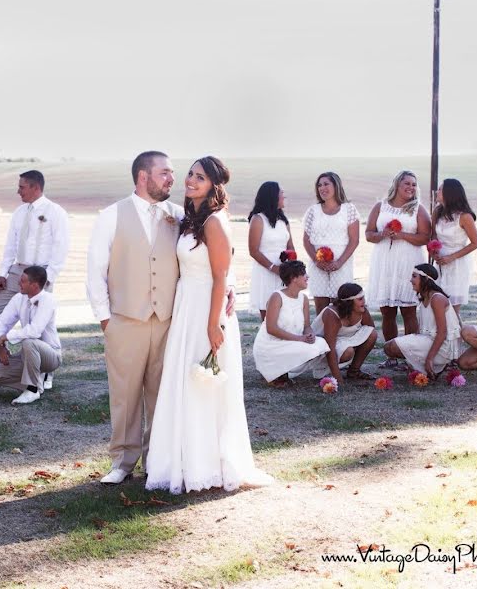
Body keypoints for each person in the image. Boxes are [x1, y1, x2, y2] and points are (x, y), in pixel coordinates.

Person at [146, 156, 272, 495]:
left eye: (199, 177)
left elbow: (220, 275)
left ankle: (208, 465)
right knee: (183, 384)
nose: (190, 180)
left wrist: (214, 323)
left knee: (203, 387)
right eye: (190, 174)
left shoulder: (215, 222)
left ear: (214, 186)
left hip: (206, 308)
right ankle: (183, 460)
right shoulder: (190, 220)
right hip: (186, 305)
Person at [85, 151, 183, 485]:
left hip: (168, 321)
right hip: (124, 321)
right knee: (125, 395)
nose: (172, 178)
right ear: (143, 176)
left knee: (162, 394)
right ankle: (123, 461)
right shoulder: (111, 215)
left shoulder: (180, 216)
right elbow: (95, 272)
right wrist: (106, 321)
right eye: (165, 172)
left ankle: (157, 459)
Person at [0, 170, 68, 391]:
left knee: (40, 324)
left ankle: (45, 373)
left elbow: (60, 248)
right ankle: (4, 364)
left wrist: (48, 279)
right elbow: (10, 246)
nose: (18, 191)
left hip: (40, 274)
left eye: (22, 187)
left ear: (35, 187)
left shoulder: (55, 212)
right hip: (17, 271)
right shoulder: (19, 212)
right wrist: (4, 273)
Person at [366, 170, 432, 369]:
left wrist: (402, 235)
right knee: (387, 312)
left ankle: (411, 356)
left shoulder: (417, 209)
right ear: (397, 184)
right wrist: (383, 234)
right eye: (407, 183)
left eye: (414, 184)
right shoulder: (380, 206)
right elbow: (369, 234)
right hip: (384, 262)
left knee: (409, 310)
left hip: (408, 262)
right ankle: (391, 355)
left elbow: (425, 237)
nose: (411, 187)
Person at [0, 266, 61, 405]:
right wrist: (0, 345)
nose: (18, 283)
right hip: (28, 355)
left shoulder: (48, 299)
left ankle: (32, 390)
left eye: (23, 281)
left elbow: (35, 331)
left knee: (29, 342)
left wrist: (6, 337)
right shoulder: (19, 298)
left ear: (34, 285)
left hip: (51, 356)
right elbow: (2, 322)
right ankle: (35, 383)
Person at [252, 260, 330, 388]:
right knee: (313, 347)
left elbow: (306, 326)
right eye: (304, 274)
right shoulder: (277, 297)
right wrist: (300, 338)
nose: (307, 277)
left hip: (292, 342)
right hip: (271, 345)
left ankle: (283, 370)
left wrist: (309, 334)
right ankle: (275, 371)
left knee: (321, 344)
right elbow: (271, 329)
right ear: (293, 278)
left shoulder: (303, 299)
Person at [383, 264, 463, 377]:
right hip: (428, 339)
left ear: (425, 279)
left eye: (414, 276)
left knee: (391, 347)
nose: (411, 280)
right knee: (388, 347)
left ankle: (433, 362)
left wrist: (429, 359)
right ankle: (423, 367)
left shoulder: (437, 299)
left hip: (443, 347)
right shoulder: (424, 297)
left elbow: (442, 332)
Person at [302, 172, 361, 317]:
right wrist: (317, 261)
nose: (322, 188)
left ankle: (339, 336)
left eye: (326, 184)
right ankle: (321, 338)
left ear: (336, 186)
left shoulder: (349, 209)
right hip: (318, 264)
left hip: (342, 262)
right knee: (320, 307)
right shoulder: (312, 211)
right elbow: (306, 240)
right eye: (319, 185)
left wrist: (339, 262)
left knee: (341, 304)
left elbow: (354, 240)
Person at [310, 282, 378, 385]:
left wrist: (357, 346)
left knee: (371, 333)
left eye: (363, 298)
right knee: (348, 351)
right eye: (360, 299)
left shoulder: (362, 310)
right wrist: (338, 379)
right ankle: (331, 371)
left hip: (345, 342)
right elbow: (329, 348)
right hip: (323, 347)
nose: (364, 302)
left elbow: (370, 331)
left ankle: (354, 371)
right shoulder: (332, 313)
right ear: (349, 302)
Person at [431, 178, 477, 317]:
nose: (437, 192)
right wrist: (434, 250)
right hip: (439, 262)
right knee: (437, 304)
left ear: (449, 193)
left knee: (452, 309)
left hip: (458, 263)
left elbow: (475, 243)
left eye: (440, 189)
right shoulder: (437, 212)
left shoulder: (464, 216)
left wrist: (451, 257)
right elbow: (433, 235)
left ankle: (454, 337)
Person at [247, 181, 294, 320]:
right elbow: (253, 251)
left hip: (284, 273)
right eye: (281, 193)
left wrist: (290, 268)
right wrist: (274, 268)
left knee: (285, 314)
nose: (284, 196)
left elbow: (290, 246)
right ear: (273, 196)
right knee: (268, 318)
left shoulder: (283, 220)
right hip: (265, 272)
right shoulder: (258, 219)